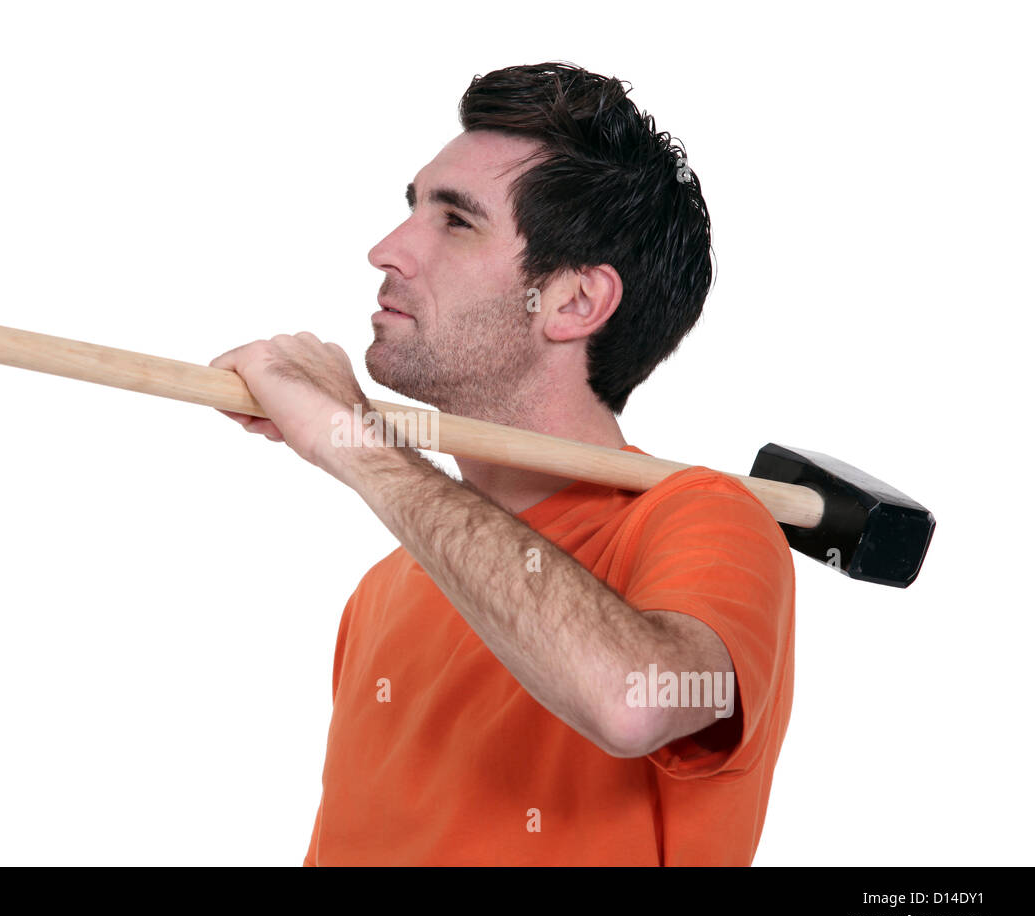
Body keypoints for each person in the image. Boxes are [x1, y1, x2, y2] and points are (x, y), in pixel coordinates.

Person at [210, 62, 795, 865]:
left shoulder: (703, 517)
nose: (387, 250)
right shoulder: (383, 594)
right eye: (410, 206)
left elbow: (637, 701)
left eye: (455, 221)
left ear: (573, 303)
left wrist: (356, 445)